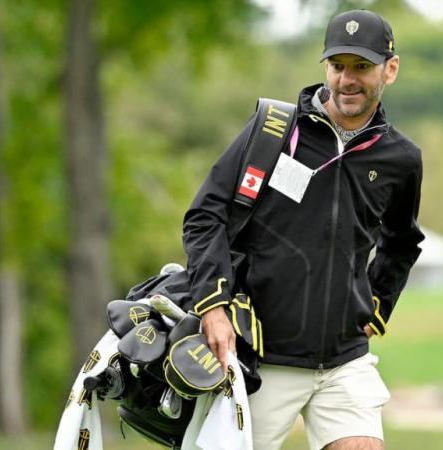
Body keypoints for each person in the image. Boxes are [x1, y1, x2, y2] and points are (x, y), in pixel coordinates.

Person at [182, 9, 424, 450]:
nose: (347, 80)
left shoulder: (400, 158)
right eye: (337, 66)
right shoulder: (273, 129)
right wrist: (212, 307)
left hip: (344, 362)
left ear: (390, 69)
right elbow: (205, 217)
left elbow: (403, 242)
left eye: (362, 67)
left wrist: (376, 305)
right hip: (260, 359)